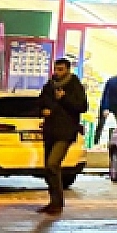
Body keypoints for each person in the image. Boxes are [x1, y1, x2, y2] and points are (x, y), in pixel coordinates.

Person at [36, 57, 88, 215]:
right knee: (49, 168)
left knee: (53, 163)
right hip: (50, 130)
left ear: (67, 70)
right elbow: (40, 102)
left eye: (61, 70)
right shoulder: (49, 86)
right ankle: (53, 202)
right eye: (56, 69)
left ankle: (57, 203)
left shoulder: (74, 85)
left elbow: (82, 106)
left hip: (65, 131)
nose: (57, 73)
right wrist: (43, 110)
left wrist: (64, 98)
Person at [94, 65, 117, 145]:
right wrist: (105, 108)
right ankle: (95, 143)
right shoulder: (112, 81)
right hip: (107, 103)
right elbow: (106, 95)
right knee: (101, 124)